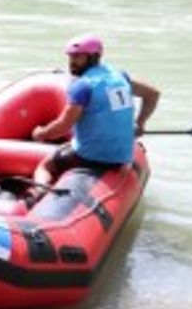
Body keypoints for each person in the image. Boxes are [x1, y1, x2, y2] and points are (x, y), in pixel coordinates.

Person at [30, 34, 160, 200]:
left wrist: (40, 133)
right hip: (122, 156)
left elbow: (63, 127)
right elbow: (153, 94)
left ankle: (39, 193)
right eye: (70, 57)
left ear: (93, 57)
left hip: (91, 157)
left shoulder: (83, 86)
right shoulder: (120, 77)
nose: (72, 62)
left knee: (45, 166)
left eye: (77, 57)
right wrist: (140, 123)